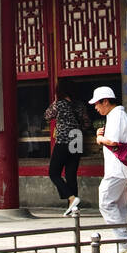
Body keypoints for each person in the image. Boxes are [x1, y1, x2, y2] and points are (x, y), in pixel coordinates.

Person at [91, 85, 127, 253]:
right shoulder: (119, 115)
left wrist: (100, 138)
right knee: (118, 205)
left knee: (105, 202)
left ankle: (124, 241)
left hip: (117, 168)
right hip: (123, 168)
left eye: (97, 103)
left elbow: (114, 141)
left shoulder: (116, 116)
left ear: (106, 101)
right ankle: (124, 243)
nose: (96, 107)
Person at [43, 86, 90, 216]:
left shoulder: (59, 104)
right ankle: (74, 208)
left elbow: (47, 116)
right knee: (71, 174)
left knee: (54, 173)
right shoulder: (80, 105)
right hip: (78, 139)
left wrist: (55, 101)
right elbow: (86, 123)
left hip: (64, 139)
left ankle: (71, 198)